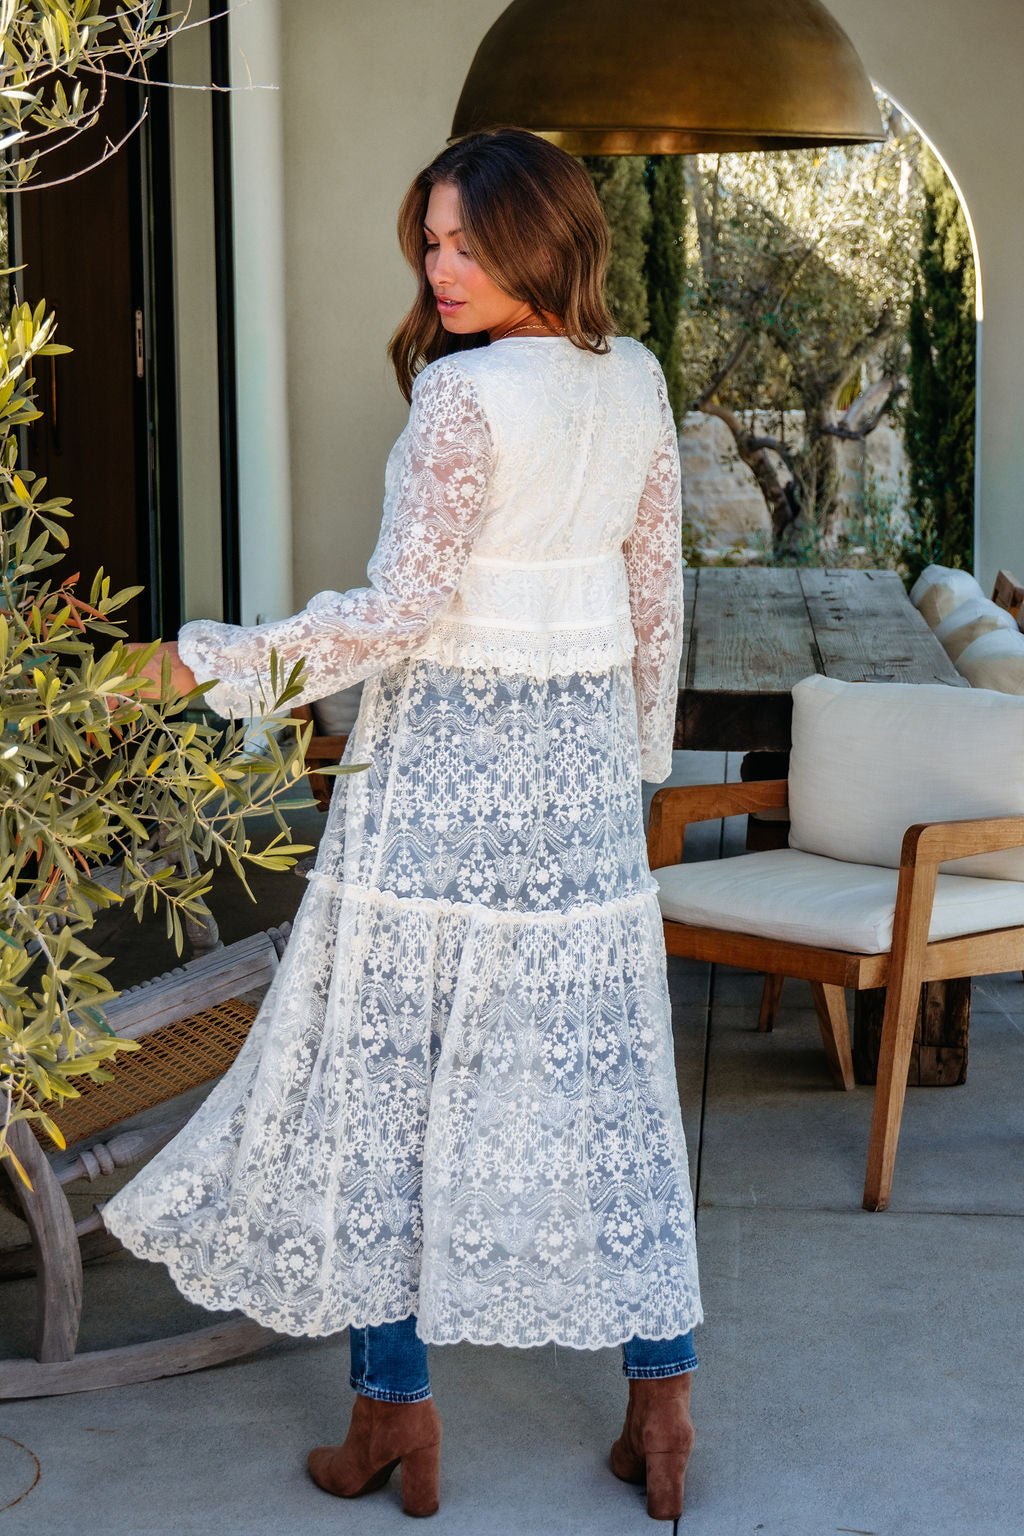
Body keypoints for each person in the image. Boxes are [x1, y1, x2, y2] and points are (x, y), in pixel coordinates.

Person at [103, 127, 701, 1528]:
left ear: (540, 241)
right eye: (429, 241)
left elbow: (395, 618)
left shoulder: (462, 399)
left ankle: (395, 1417)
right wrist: (637, 771)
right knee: (609, 1090)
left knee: (387, 1079)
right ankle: (662, 1406)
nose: (441, 267)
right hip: (574, 792)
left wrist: (204, 662)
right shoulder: (637, 382)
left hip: (437, 778)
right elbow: (658, 598)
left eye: (466, 242)